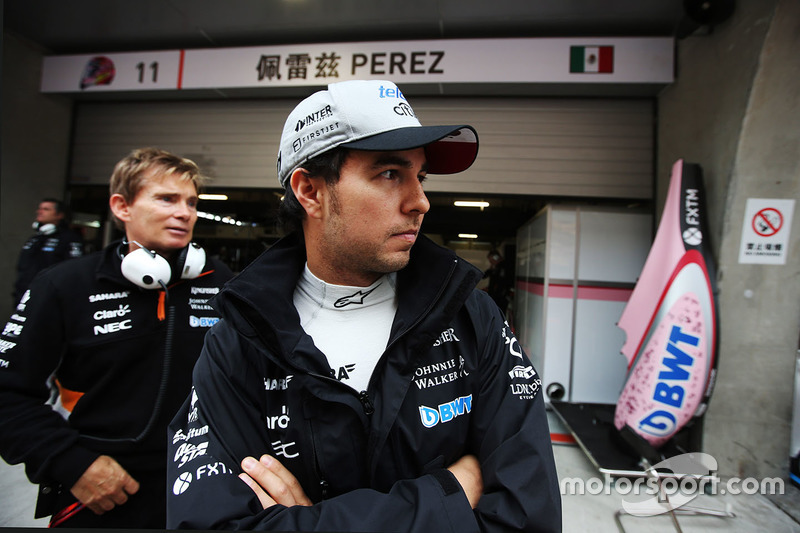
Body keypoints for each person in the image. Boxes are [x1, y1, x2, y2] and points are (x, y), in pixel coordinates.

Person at [166, 80, 561, 532]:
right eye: (390, 174)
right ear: (310, 191)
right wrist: (447, 495)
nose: (420, 202)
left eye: (421, 177)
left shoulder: (474, 318)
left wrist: (306, 522)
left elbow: (530, 518)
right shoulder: (237, 341)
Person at [0, 148, 234, 528]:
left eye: (191, 202)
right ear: (122, 207)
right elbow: (8, 394)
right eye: (167, 199)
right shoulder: (64, 286)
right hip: (102, 493)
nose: (185, 212)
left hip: (203, 489)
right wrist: (73, 464)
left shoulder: (219, 281)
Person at [12, 198, 84, 305]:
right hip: (23, 295)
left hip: (48, 298)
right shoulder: (35, 238)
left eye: (46, 209)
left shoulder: (69, 239)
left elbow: (73, 269)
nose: (39, 212)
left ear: (59, 215)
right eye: (40, 208)